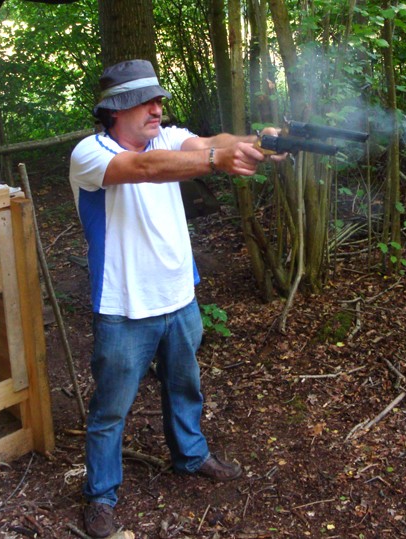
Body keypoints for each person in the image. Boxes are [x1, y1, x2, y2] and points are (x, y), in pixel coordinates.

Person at [69, 59, 275, 538]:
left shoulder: (165, 136)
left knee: (185, 387)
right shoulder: (90, 153)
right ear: (118, 109)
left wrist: (262, 139)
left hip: (179, 296)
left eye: (159, 100)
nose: (158, 109)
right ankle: (100, 495)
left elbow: (211, 143)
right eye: (148, 101)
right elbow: (143, 168)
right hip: (124, 306)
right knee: (110, 410)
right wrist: (212, 162)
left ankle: (190, 456)